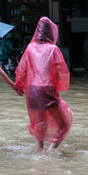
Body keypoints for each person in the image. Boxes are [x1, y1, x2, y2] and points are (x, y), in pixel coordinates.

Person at [14, 17, 74, 151]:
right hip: (46, 90)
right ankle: (51, 151)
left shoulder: (30, 48)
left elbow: (21, 69)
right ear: (52, 32)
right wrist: (60, 87)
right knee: (64, 125)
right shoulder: (53, 49)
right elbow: (61, 71)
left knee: (40, 123)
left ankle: (39, 151)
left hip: (32, 91)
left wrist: (19, 86)